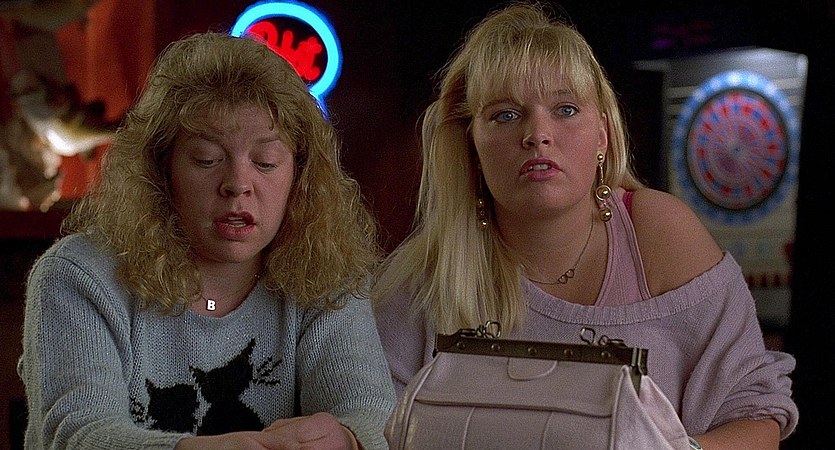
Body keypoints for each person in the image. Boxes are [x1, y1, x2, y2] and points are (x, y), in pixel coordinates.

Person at [372, 2, 798, 449]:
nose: (537, 134)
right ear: (472, 146)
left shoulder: (657, 233)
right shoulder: (424, 278)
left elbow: (756, 414)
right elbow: (370, 424)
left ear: (602, 136)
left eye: (566, 109)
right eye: (506, 115)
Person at [18, 31, 395, 450]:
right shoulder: (78, 276)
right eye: (207, 159)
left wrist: (348, 440)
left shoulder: (328, 276)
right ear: (162, 170)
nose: (237, 184)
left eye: (265, 162)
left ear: (299, 176)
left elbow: (373, 416)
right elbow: (76, 434)